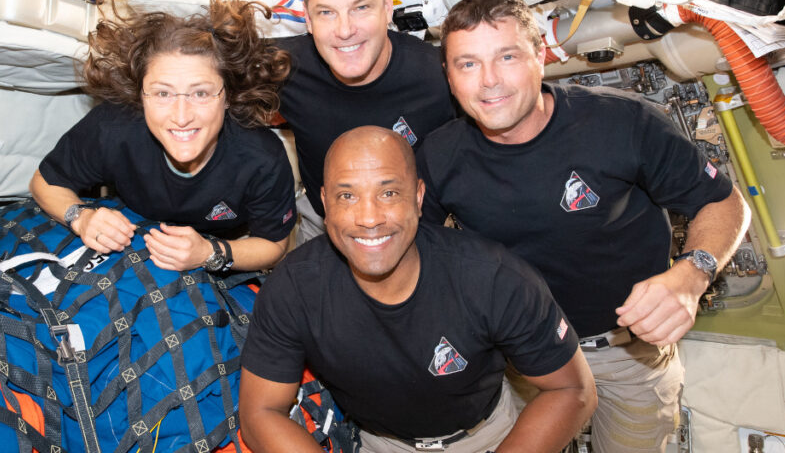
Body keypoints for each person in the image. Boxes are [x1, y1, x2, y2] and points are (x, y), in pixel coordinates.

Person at [417, 0, 752, 453]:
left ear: (540, 56)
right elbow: (418, 255)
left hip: (628, 354)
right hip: (521, 358)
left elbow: (724, 202)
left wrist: (692, 274)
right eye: (467, 64)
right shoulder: (438, 156)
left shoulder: (623, 123)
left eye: (507, 56)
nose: (489, 81)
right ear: (449, 76)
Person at [239, 126, 596, 453]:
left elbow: (572, 389)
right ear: (325, 204)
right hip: (372, 442)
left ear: (419, 197)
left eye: (389, 193)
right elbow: (260, 413)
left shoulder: (492, 277)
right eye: (347, 196)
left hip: (488, 437)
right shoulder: (294, 288)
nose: (369, 218)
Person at [30, 0, 296, 272]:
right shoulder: (112, 127)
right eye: (162, 94)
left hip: (219, 247)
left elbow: (274, 245)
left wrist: (208, 253)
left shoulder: (262, 158)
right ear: (140, 96)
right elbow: (45, 181)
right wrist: (81, 217)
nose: (181, 117)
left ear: (228, 96)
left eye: (200, 93)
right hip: (127, 242)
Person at [275, 0, 455, 243]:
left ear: (387, 7)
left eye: (360, 7)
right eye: (326, 12)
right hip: (323, 226)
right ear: (308, 18)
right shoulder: (282, 67)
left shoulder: (437, 75)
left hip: (419, 230)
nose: (345, 30)